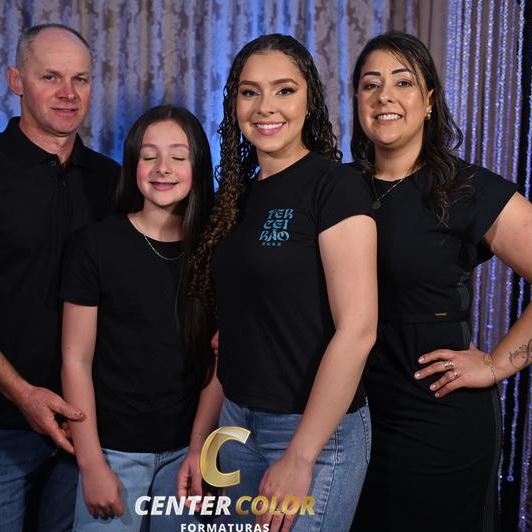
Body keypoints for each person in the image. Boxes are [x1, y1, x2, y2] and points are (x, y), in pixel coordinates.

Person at [348, 32, 532, 531]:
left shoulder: (464, 189)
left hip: (434, 420)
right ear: (356, 99)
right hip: (347, 419)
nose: (385, 96)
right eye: (370, 84)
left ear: (429, 101)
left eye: (403, 82)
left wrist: (496, 363)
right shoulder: (337, 188)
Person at [0, 24, 120, 531]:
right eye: (50, 77)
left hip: (87, 423)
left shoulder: (114, 181)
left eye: (80, 79)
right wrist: (22, 393)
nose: (68, 92)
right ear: (16, 81)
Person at [189, 34, 378, 531]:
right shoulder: (235, 199)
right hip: (236, 424)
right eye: (250, 92)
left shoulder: (335, 186)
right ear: (234, 104)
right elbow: (232, 332)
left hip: (311, 432)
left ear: (309, 100)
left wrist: (300, 456)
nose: (265, 107)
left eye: (284, 90)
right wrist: (201, 440)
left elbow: (358, 329)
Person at [60, 105, 216, 531]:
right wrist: (92, 464)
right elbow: (75, 360)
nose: (163, 168)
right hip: (113, 451)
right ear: (132, 165)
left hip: (187, 453)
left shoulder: (215, 249)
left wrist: (198, 449)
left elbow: (220, 359)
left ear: (199, 166)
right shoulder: (96, 245)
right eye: (149, 156)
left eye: (178, 156)